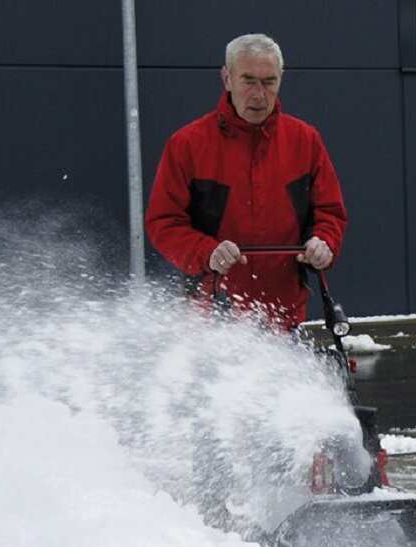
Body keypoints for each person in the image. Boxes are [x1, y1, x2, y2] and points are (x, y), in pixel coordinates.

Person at [145, 33, 348, 331]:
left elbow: (330, 213)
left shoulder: (305, 141)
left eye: (269, 82)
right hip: (210, 321)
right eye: (248, 80)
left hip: (284, 318)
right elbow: (163, 223)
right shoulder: (186, 145)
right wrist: (207, 252)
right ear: (227, 78)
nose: (258, 94)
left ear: (281, 79)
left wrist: (323, 243)